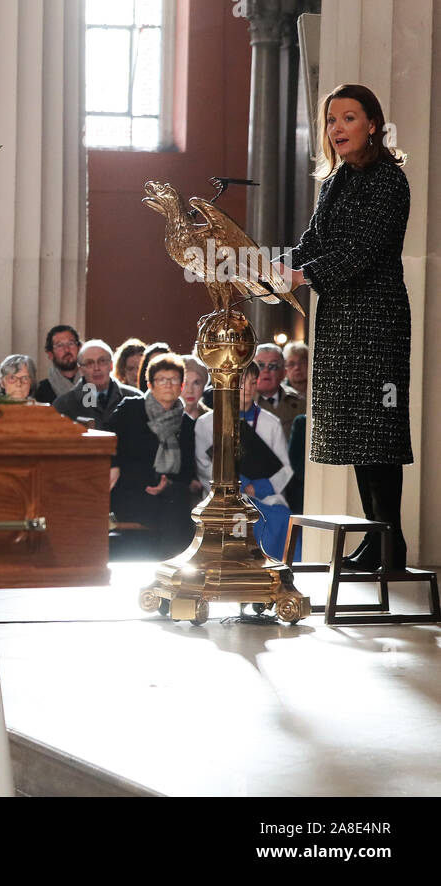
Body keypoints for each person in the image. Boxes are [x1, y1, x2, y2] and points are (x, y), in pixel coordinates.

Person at [274, 83, 412, 571]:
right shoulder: (334, 182)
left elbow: (363, 248)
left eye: (348, 118)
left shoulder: (389, 181)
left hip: (376, 322)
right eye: (331, 120)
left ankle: (391, 541)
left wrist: (303, 275)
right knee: (356, 432)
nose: (337, 128)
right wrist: (274, 267)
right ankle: (376, 538)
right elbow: (313, 241)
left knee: (379, 430)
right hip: (338, 321)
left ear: (372, 124)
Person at [194, 362, 294, 559]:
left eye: (252, 382)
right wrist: (238, 485)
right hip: (223, 497)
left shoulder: (270, 423)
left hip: (264, 496)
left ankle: (274, 569)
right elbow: (203, 465)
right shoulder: (207, 423)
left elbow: (286, 468)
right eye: (241, 383)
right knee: (236, 518)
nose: (248, 388)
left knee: (281, 517)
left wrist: (260, 487)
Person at [108, 352, 197, 558]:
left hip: (168, 492)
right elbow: (107, 439)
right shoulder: (131, 408)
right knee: (163, 514)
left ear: (182, 386)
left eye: (174, 379)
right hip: (131, 486)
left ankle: (171, 572)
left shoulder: (187, 424)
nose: (168, 384)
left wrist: (168, 483)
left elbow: (188, 470)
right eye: (162, 379)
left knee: (177, 506)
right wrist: (114, 465)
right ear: (150, 384)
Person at [51, 339, 138, 431]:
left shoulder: (134, 399)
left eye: (102, 361)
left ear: (111, 365)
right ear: (81, 370)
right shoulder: (64, 405)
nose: (96, 368)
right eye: (89, 363)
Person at [253, 342, 305, 439]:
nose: (266, 371)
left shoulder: (300, 403)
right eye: (260, 365)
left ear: (283, 373)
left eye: (273, 366)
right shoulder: (243, 402)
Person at [32, 325, 81, 404]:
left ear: (79, 348)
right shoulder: (40, 391)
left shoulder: (95, 382)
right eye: (59, 345)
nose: (67, 349)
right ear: (50, 354)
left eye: (71, 343)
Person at [180, 355, 210, 420]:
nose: (190, 390)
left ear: (203, 385)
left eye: (196, 383)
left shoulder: (213, 419)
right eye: (184, 383)